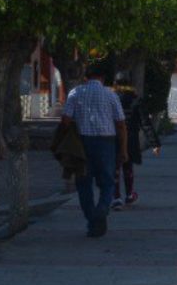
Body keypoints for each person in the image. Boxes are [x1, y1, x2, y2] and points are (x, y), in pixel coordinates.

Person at [60, 62, 126, 237]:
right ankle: (101, 211)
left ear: (86, 77)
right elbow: (120, 124)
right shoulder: (111, 95)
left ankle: (92, 219)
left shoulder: (75, 93)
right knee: (108, 182)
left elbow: (65, 120)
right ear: (103, 78)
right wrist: (123, 149)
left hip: (82, 144)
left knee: (83, 184)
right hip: (106, 143)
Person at [112, 72, 161, 209]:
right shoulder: (135, 99)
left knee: (114, 169)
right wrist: (154, 143)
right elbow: (145, 123)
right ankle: (129, 195)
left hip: (112, 137)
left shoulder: (110, 99)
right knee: (128, 167)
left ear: (115, 84)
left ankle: (116, 198)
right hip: (131, 138)